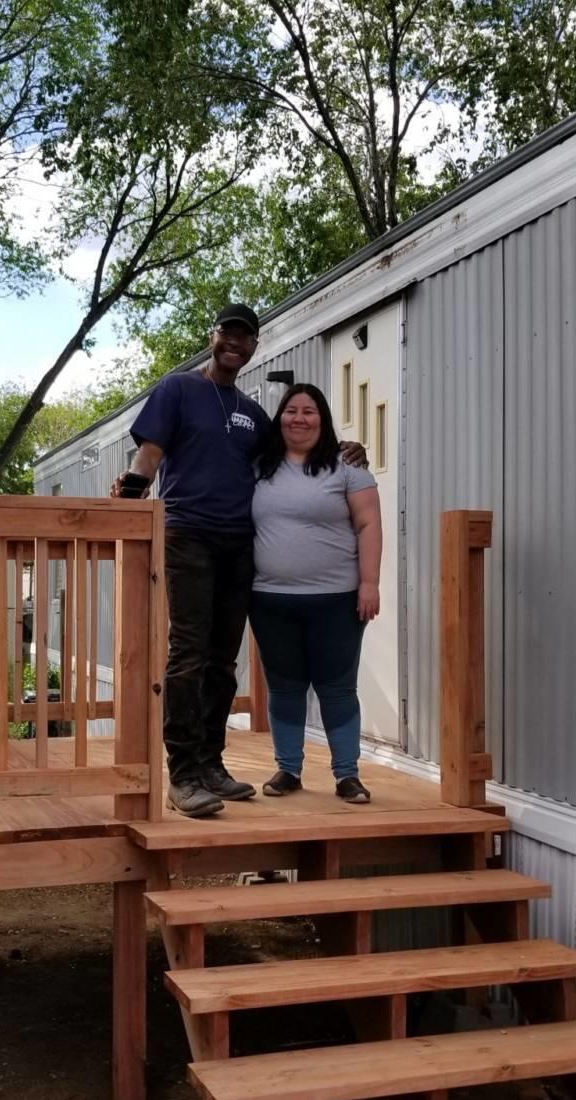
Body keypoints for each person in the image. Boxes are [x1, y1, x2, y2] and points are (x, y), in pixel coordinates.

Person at [113, 303, 365, 818]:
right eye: (227, 332)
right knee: (188, 652)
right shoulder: (177, 389)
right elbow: (149, 456)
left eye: (245, 336)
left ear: (254, 347)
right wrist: (130, 492)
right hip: (188, 535)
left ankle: (211, 764)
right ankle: (183, 774)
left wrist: (347, 448)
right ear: (213, 336)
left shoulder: (252, 413)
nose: (235, 343)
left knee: (223, 659)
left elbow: (295, 444)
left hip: (240, 544)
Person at [247, 383, 380, 803]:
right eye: (291, 410)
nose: (299, 418)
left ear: (322, 419)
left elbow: (368, 524)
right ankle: (288, 770)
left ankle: (347, 775)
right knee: (284, 689)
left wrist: (370, 583)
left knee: (337, 689)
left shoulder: (348, 466)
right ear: (279, 418)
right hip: (270, 600)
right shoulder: (258, 466)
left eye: (309, 411)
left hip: (337, 601)